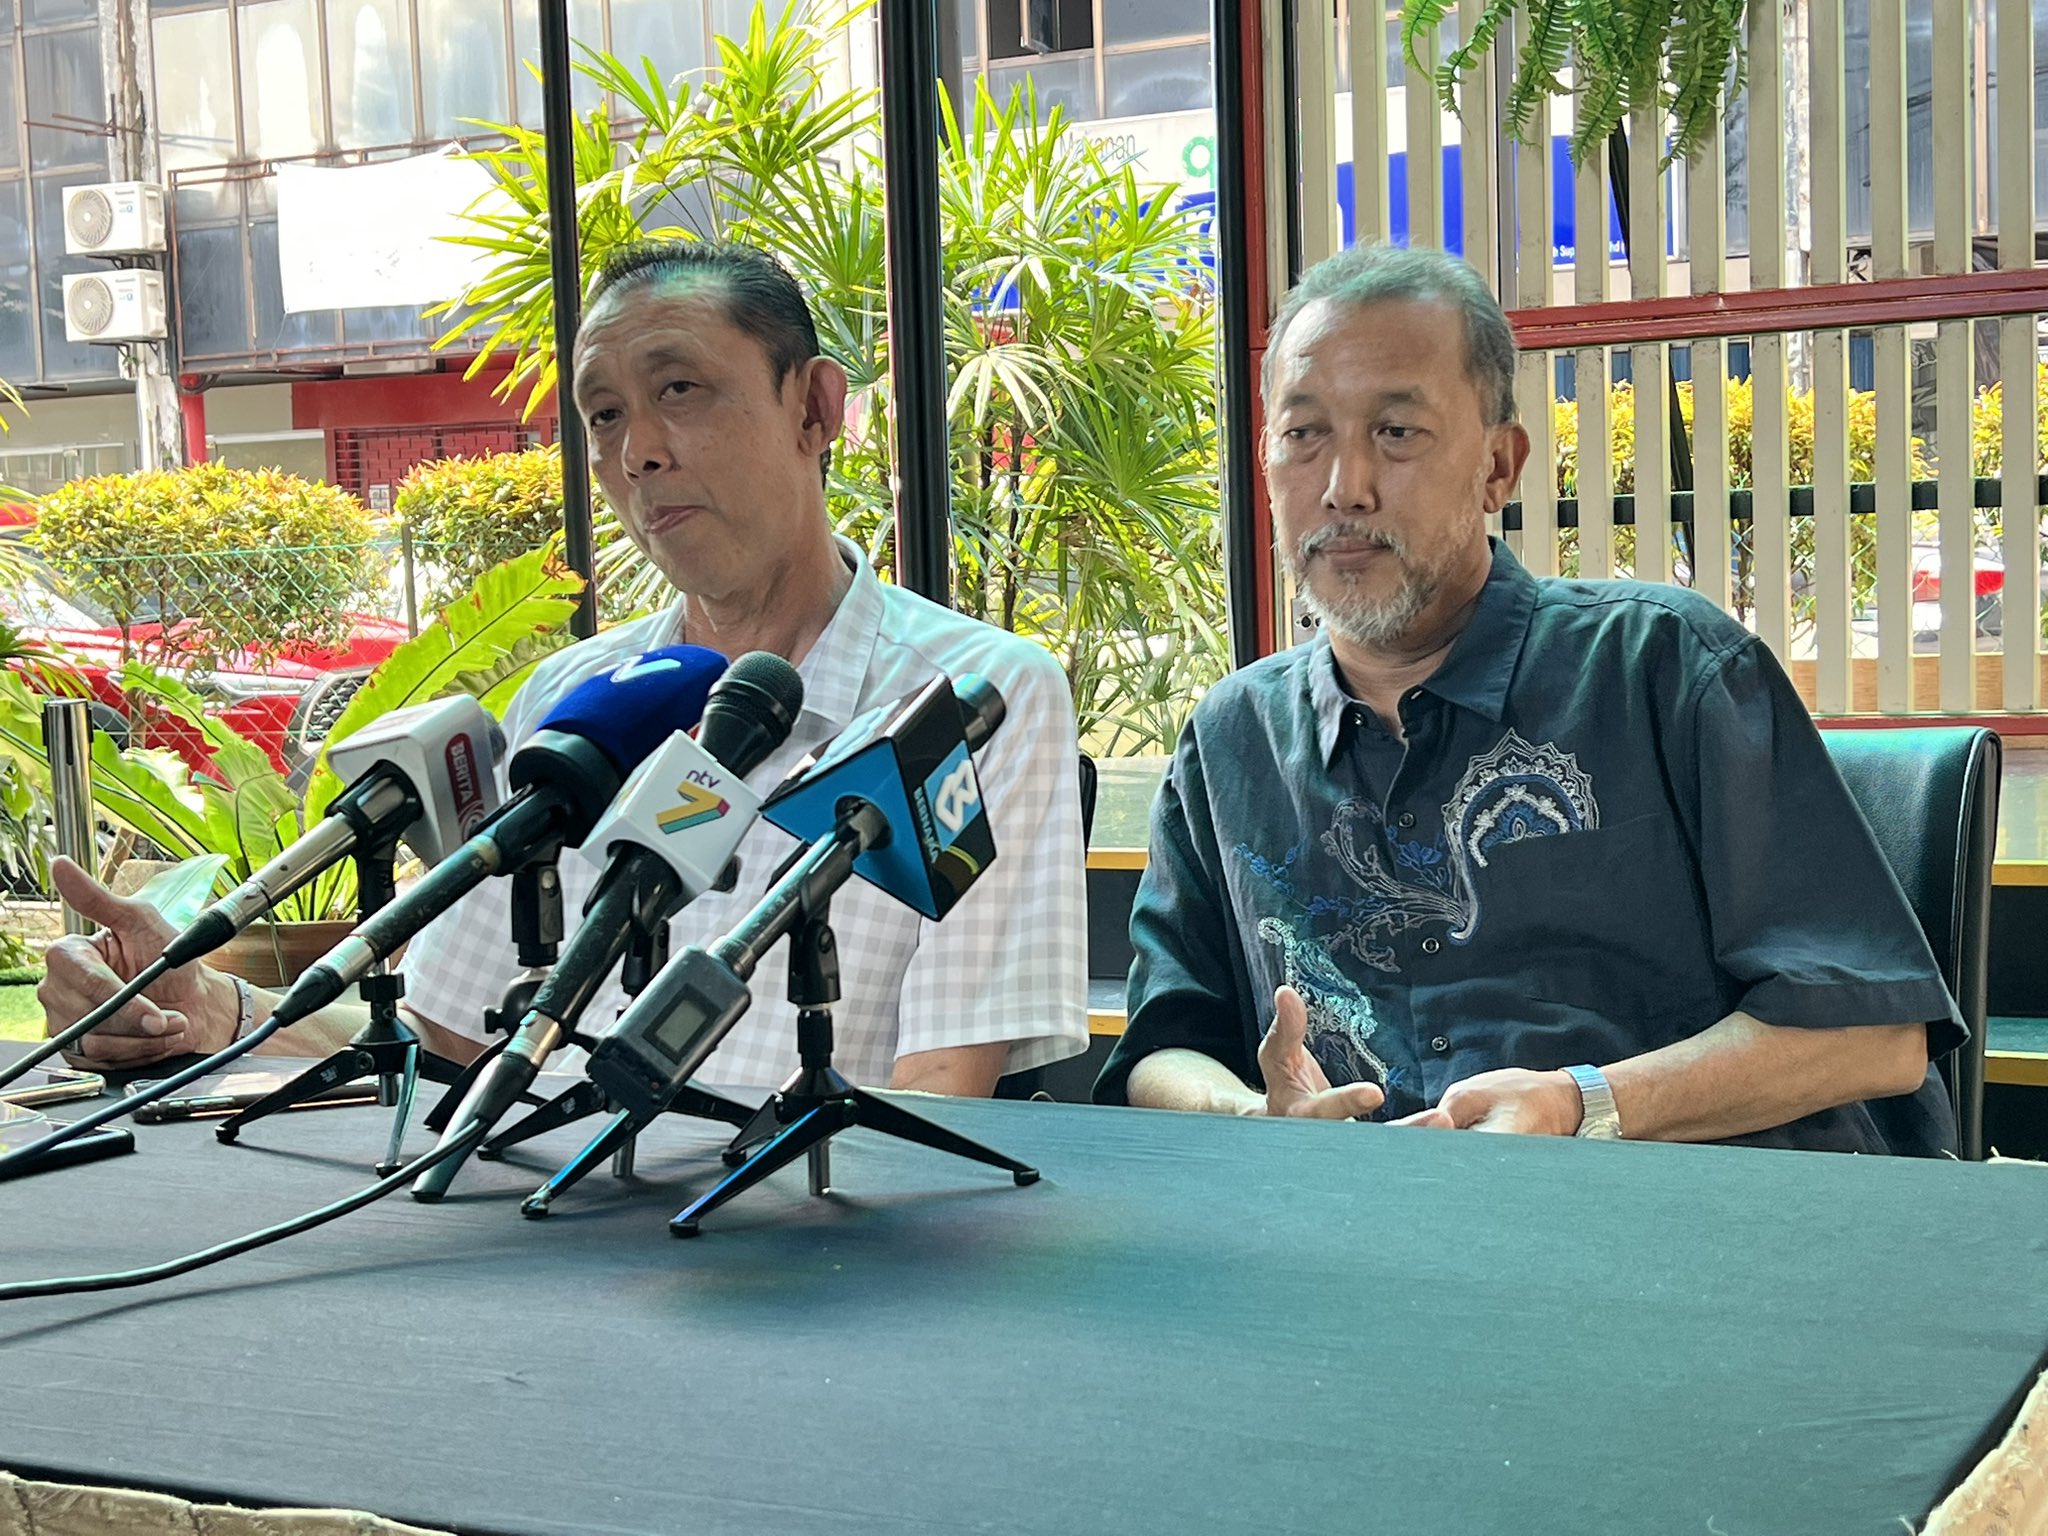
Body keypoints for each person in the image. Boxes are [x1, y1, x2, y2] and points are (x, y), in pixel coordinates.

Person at [41, 240, 1089, 1098]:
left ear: (813, 409)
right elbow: (442, 1045)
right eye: (604, 415)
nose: (638, 452)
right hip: (540, 1240)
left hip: (814, 1249)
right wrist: (208, 1010)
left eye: (679, 389)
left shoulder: (975, 698)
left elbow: (939, 1089)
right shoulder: (574, 703)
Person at [1094, 241, 1962, 1155]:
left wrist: (1584, 1104)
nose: (1344, 489)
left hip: (1684, 1215)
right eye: (1303, 435)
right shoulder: (1232, 740)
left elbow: (1875, 1033)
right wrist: (1248, 1115)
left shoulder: (1662, 667)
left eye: (1396, 433)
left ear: (1499, 466)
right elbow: (1164, 1047)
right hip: (1365, 1228)